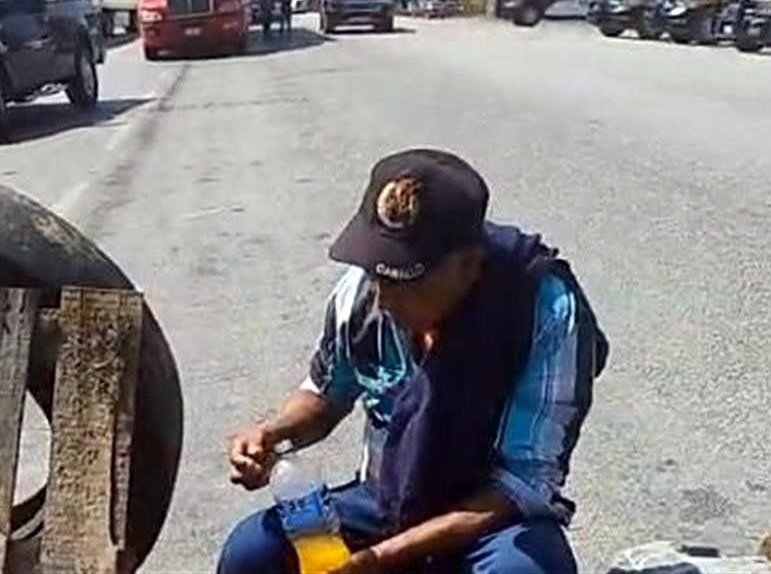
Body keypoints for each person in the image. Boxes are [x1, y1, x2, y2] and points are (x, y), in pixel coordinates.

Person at [218, 147, 609, 574]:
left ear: (468, 265)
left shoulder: (544, 309)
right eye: (379, 273)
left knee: (525, 570)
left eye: (409, 281)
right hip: (386, 500)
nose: (384, 297)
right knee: (251, 551)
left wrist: (382, 559)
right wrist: (271, 432)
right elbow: (326, 396)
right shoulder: (363, 292)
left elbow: (525, 483)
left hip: (487, 518)